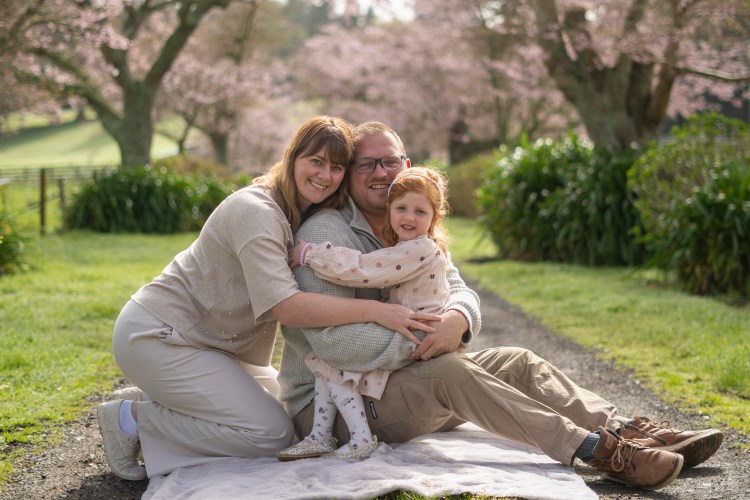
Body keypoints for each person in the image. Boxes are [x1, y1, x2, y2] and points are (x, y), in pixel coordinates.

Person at [277, 121, 724, 490]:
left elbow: (456, 286)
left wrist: (458, 318)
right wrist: (426, 340)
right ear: (349, 172)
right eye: (366, 163)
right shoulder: (326, 235)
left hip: (397, 381)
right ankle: (602, 453)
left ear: (406, 166)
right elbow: (333, 343)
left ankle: (630, 430)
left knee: (516, 360)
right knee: (451, 371)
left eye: (390, 161)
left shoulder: (409, 224)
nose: (380, 171)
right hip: (339, 405)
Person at [96, 116, 441, 481]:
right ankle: (132, 420)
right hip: (162, 335)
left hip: (216, 345)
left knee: (286, 419)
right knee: (270, 434)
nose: (325, 175)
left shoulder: (304, 212)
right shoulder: (256, 212)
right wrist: (379, 311)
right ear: (293, 157)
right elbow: (287, 308)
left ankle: (163, 400)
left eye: (337, 166)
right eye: (316, 161)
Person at [276, 167, 452, 460]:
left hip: (417, 332)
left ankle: (359, 438)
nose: (409, 218)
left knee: (331, 359)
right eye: (401, 208)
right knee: (327, 361)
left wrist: (311, 254)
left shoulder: (419, 248)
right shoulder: (408, 245)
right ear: (389, 209)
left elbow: (364, 269)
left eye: (420, 211)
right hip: (411, 326)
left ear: (435, 217)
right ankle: (320, 436)